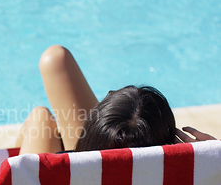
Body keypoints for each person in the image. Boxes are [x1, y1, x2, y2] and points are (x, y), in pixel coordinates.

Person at [15, 45, 217, 154]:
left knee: (40, 116)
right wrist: (210, 158)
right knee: (57, 60)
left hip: (79, 175)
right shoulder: (192, 181)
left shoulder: (50, 173)